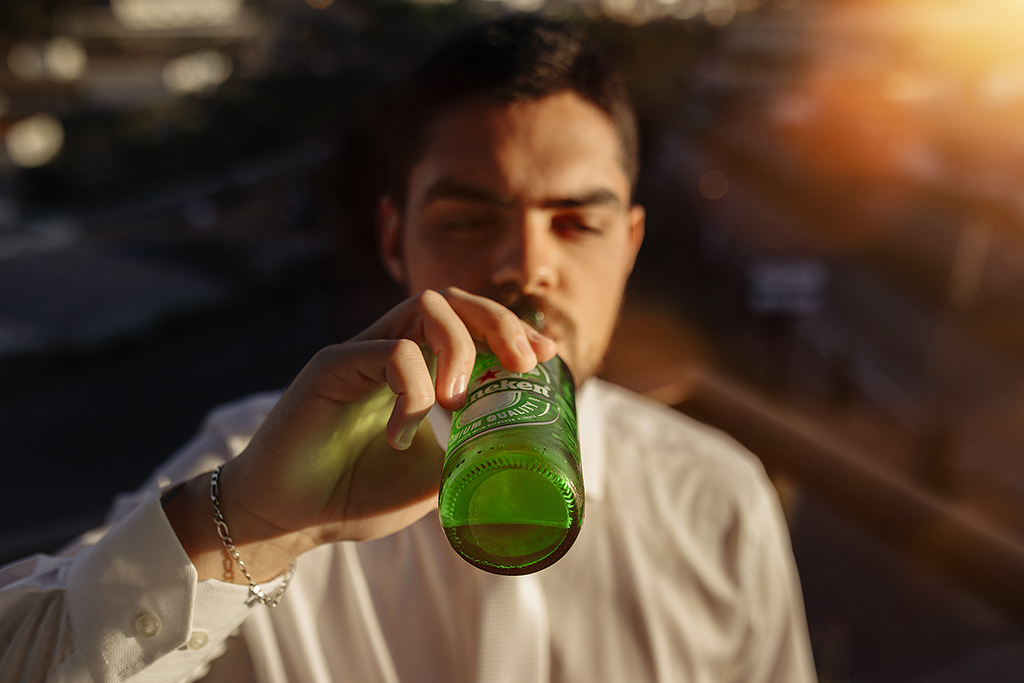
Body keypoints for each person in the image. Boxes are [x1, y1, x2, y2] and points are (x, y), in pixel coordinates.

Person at [0, 16, 817, 683]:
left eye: (576, 223)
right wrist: (258, 525)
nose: (526, 262)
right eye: (468, 220)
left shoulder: (718, 499)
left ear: (629, 245)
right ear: (395, 240)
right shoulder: (257, 460)